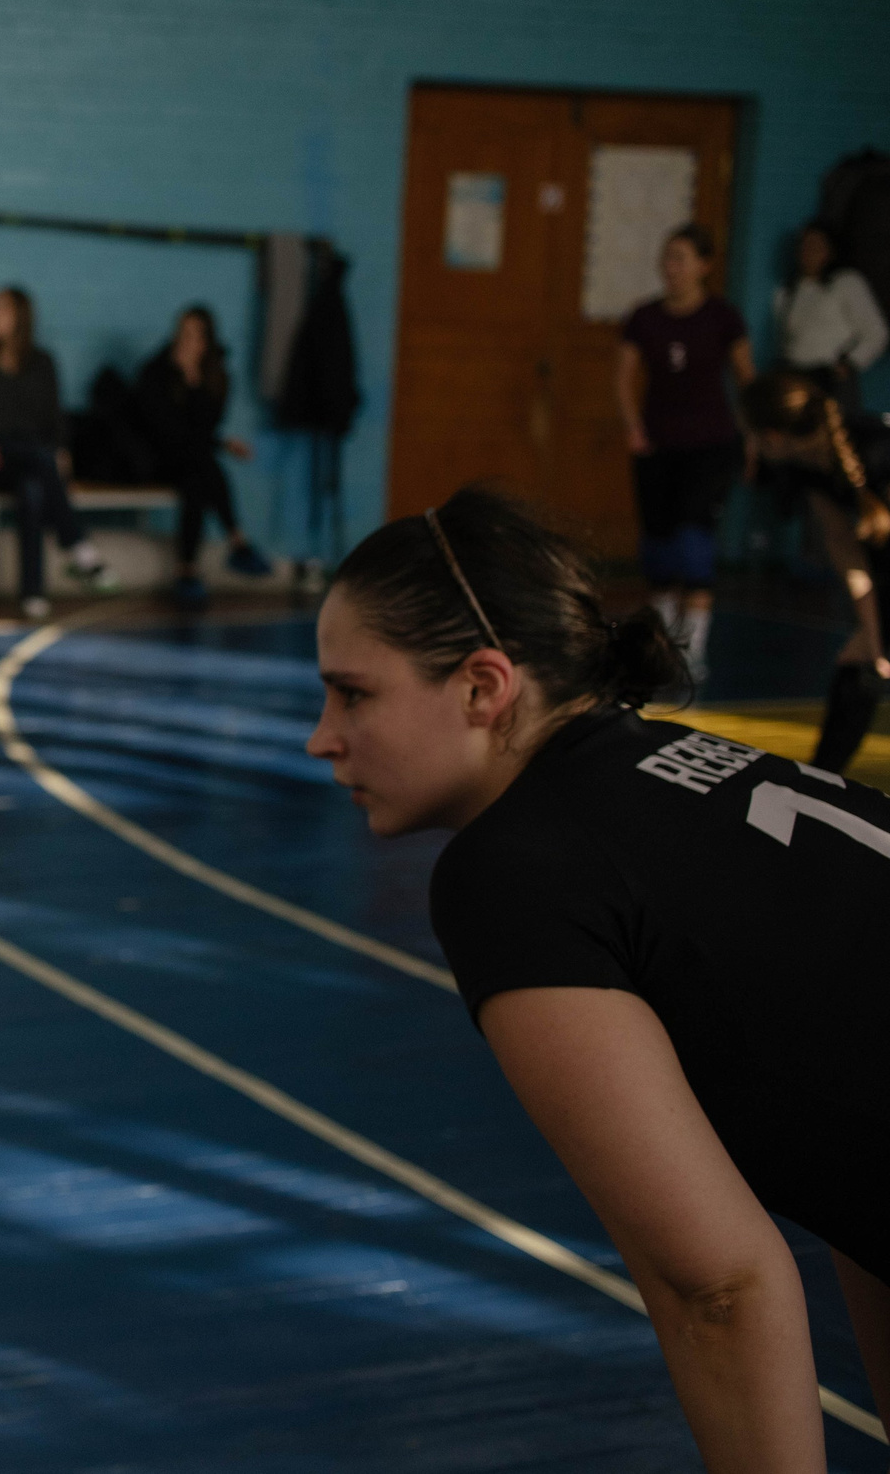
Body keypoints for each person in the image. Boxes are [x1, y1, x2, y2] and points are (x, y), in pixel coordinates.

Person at [307, 486, 890, 1473]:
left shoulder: (514, 868)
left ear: (483, 687)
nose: (321, 736)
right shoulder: (678, 769)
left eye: (352, 694)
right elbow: (855, 1155)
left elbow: (717, 1288)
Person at [616, 223, 753, 680]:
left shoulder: (722, 317)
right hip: (658, 446)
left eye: (680, 257)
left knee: (694, 543)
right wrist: (634, 426)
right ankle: (662, 642)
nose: (670, 267)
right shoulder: (645, 317)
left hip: (710, 446)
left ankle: (693, 648)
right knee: (657, 548)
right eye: (667, 257)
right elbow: (623, 377)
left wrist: (753, 437)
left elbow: (745, 378)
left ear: (704, 265)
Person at [740, 368, 890, 771]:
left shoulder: (878, 450)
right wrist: (876, 641)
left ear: (770, 436)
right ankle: (821, 780)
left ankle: (821, 778)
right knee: (859, 664)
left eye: (750, 435)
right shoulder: (807, 470)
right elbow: (847, 555)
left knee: (858, 663)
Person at [0, 284, 117, 618]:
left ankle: (33, 592)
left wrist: (62, 464)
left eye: (1, 309)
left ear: (20, 317)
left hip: (33, 461)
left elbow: (55, 423)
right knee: (38, 462)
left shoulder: (42, 363)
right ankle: (78, 547)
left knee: (33, 489)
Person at [135, 303, 271, 610]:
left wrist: (194, 382)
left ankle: (188, 570)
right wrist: (219, 444)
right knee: (202, 465)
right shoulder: (155, 372)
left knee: (196, 480)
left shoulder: (215, 377)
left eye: (196, 336)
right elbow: (162, 431)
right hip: (152, 458)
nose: (187, 342)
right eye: (183, 334)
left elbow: (200, 430)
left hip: (191, 461)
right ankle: (237, 540)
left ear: (207, 341)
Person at [774, 221, 886, 412]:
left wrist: (850, 363)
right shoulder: (790, 291)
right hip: (796, 376)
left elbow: (876, 332)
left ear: (831, 251)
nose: (807, 252)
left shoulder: (846, 283)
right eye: (804, 245)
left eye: (815, 246)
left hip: (829, 379)